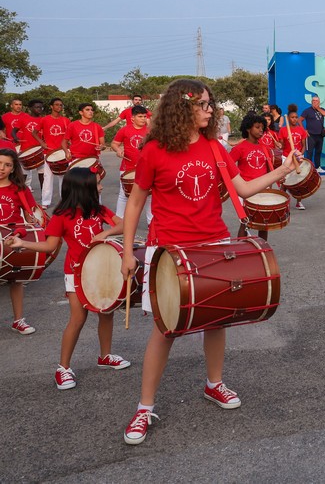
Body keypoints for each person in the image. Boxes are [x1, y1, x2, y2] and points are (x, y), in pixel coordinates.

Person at [120, 78, 300, 446]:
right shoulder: (153, 150)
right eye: (202, 104)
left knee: (217, 318)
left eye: (209, 103)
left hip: (213, 243)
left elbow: (244, 188)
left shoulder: (215, 146)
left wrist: (283, 170)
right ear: (181, 107)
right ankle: (144, 406)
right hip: (170, 248)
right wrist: (126, 250)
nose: (209, 109)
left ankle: (213, 384)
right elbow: (136, 202)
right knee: (165, 328)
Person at [8, 167, 129, 390]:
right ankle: (63, 367)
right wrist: (23, 244)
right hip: (75, 273)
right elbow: (49, 245)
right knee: (78, 319)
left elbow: (121, 223)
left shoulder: (99, 210)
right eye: (97, 185)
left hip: (100, 270)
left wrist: (105, 233)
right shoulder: (61, 217)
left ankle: (105, 356)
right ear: (83, 189)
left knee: (106, 313)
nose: (101, 187)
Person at [0, 148, 44, 335]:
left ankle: (18, 320)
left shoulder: (20, 189)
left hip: (11, 239)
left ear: (13, 168)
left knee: (16, 279)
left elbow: (31, 214)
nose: (2, 168)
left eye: (7, 165)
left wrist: (33, 219)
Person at [230, 113, 277, 241]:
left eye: (262, 127)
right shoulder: (239, 148)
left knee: (263, 224)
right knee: (245, 222)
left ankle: (263, 249)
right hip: (246, 191)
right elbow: (227, 168)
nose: (261, 130)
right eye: (257, 127)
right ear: (248, 129)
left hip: (263, 190)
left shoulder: (264, 147)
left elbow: (268, 168)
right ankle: (241, 249)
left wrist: (269, 187)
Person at [110, 105, 151, 220]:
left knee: (149, 196)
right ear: (132, 118)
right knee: (124, 195)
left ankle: (151, 224)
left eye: (144, 116)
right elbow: (114, 143)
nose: (143, 119)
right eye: (140, 116)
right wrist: (118, 150)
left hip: (146, 168)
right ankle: (119, 222)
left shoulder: (150, 131)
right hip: (127, 167)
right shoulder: (124, 130)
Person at [41, 98, 71, 209]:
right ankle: (45, 201)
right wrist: (42, 143)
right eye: (57, 105)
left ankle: (64, 201)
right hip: (48, 153)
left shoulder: (66, 120)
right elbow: (34, 132)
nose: (59, 107)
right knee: (48, 178)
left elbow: (69, 135)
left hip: (63, 153)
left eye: (61, 105)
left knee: (63, 178)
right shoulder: (44, 119)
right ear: (51, 106)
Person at [279, 106, 308, 210]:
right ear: (289, 118)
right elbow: (282, 146)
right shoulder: (283, 130)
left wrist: (300, 154)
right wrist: (279, 144)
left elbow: (304, 145)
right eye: (292, 117)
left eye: (296, 117)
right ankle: (282, 202)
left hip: (299, 157)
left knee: (298, 181)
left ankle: (298, 202)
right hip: (286, 157)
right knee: (285, 180)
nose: (294, 119)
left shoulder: (301, 130)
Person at [17, 99, 47, 192]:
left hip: (40, 151)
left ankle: (43, 197)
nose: (40, 109)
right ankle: (21, 196)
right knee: (24, 175)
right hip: (26, 150)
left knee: (42, 175)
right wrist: (15, 137)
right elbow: (14, 131)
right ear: (30, 108)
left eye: (41, 107)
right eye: (37, 107)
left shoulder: (44, 119)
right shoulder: (23, 118)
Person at [300, 96, 325, 170]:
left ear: (319, 102)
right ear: (311, 102)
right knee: (309, 152)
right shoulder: (307, 111)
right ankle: (309, 168)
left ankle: (318, 167)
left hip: (320, 134)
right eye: (313, 101)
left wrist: (318, 108)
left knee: (318, 151)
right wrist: (304, 130)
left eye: (316, 101)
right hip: (310, 134)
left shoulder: (322, 109)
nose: (315, 102)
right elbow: (299, 120)